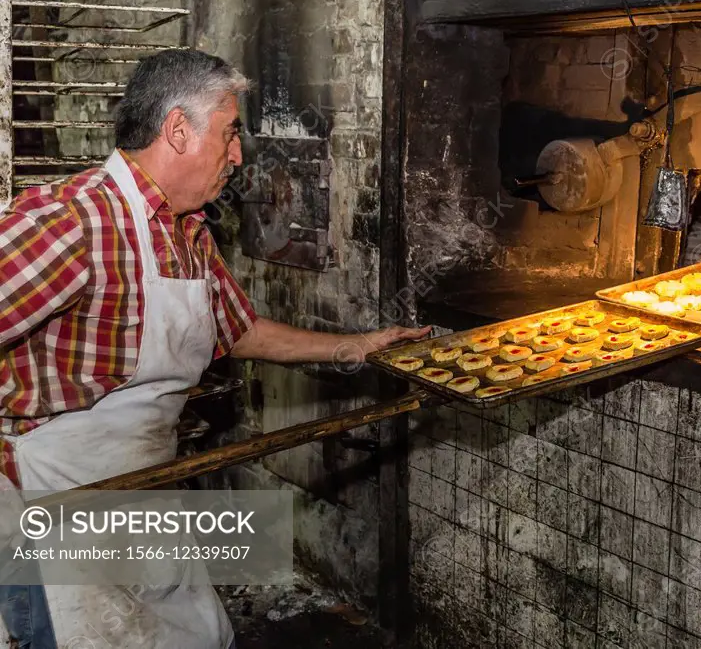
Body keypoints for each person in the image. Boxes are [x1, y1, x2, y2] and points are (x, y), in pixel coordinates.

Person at [0, 49, 429, 648]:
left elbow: (238, 330)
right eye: (229, 133)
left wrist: (358, 346)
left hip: (148, 487)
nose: (237, 156)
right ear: (178, 129)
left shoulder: (187, 230)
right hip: (58, 503)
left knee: (200, 637)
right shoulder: (75, 221)